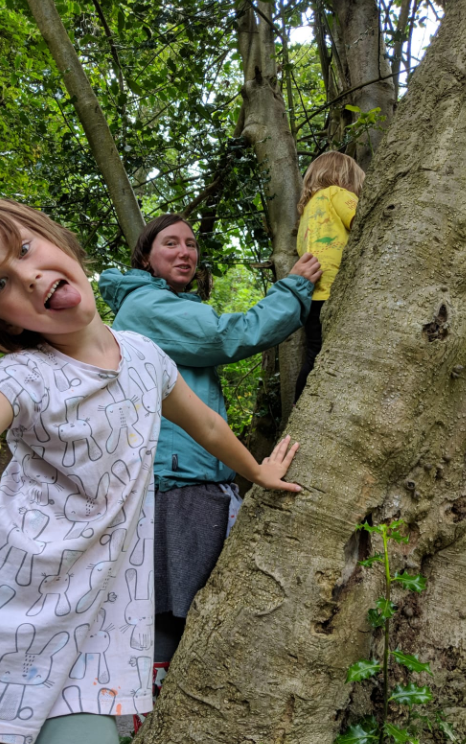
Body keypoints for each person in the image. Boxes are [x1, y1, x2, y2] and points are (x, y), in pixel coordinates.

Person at [0, 198, 302, 744]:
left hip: (95, 625)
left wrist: (256, 471)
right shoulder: (24, 375)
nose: (29, 277)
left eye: (27, 249)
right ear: (2, 321)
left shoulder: (146, 356)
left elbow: (203, 421)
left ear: (59, 241)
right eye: (1, 283)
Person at [99, 214, 322, 670]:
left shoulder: (152, 302)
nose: (185, 252)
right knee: (175, 610)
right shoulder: (149, 306)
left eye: (191, 244)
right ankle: (154, 718)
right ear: (146, 257)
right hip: (179, 482)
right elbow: (226, 336)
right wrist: (293, 289)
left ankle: (154, 714)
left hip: (184, 478)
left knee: (178, 607)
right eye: (170, 244)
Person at [294, 151, 365, 401]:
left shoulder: (307, 211)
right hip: (335, 288)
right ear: (344, 178)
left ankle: (300, 403)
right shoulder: (338, 194)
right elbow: (364, 219)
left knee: (315, 352)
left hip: (311, 294)